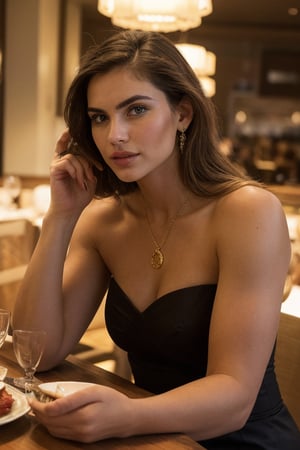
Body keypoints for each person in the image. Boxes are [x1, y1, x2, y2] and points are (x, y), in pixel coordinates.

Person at [13, 30, 300, 449]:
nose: (116, 136)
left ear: (183, 114)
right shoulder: (105, 221)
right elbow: (37, 351)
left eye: (137, 110)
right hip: (147, 438)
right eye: (100, 117)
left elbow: (235, 397)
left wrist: (125, 416)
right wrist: (60, 216)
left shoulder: (247, 212)